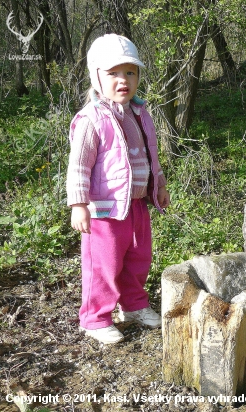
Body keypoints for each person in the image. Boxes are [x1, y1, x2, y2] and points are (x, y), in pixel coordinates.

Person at [66, 34, 170, 344]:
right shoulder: (91, 119)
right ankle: (95, 317)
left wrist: (159, 186)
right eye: (113, 73)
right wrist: (78, 204)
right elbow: (79, 165)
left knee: (139, 258)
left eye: (130, 72)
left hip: (136, 204)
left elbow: (151, 155)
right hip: (103, 208)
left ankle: (133, 305)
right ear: (97, 76)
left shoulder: (140, 114)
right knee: (105, 265)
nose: (123, 79)